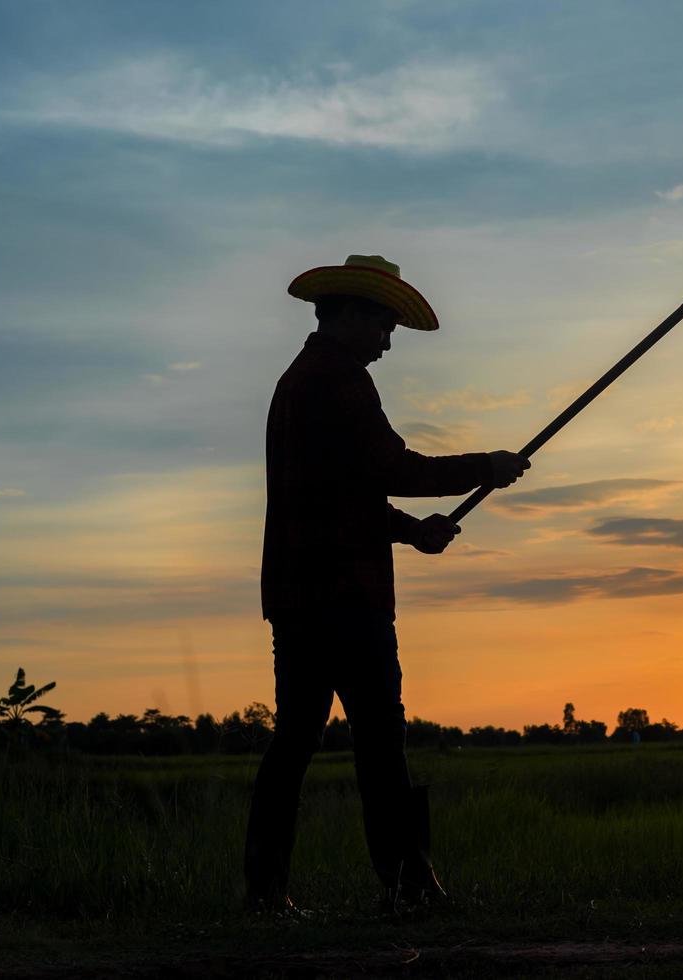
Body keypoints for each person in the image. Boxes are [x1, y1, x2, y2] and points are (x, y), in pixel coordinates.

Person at [244, 254, 530, 912]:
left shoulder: (305, 379)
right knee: (378, 738)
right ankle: (408, 882)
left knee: (297, 739)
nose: (388, 339)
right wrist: (484, 466)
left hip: (300, 591)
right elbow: (390, 467)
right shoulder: (336, 379)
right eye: (382, 323)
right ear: (345, 315)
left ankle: (267, 891)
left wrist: (409, 532)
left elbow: (344, 493)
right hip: (343, 594)